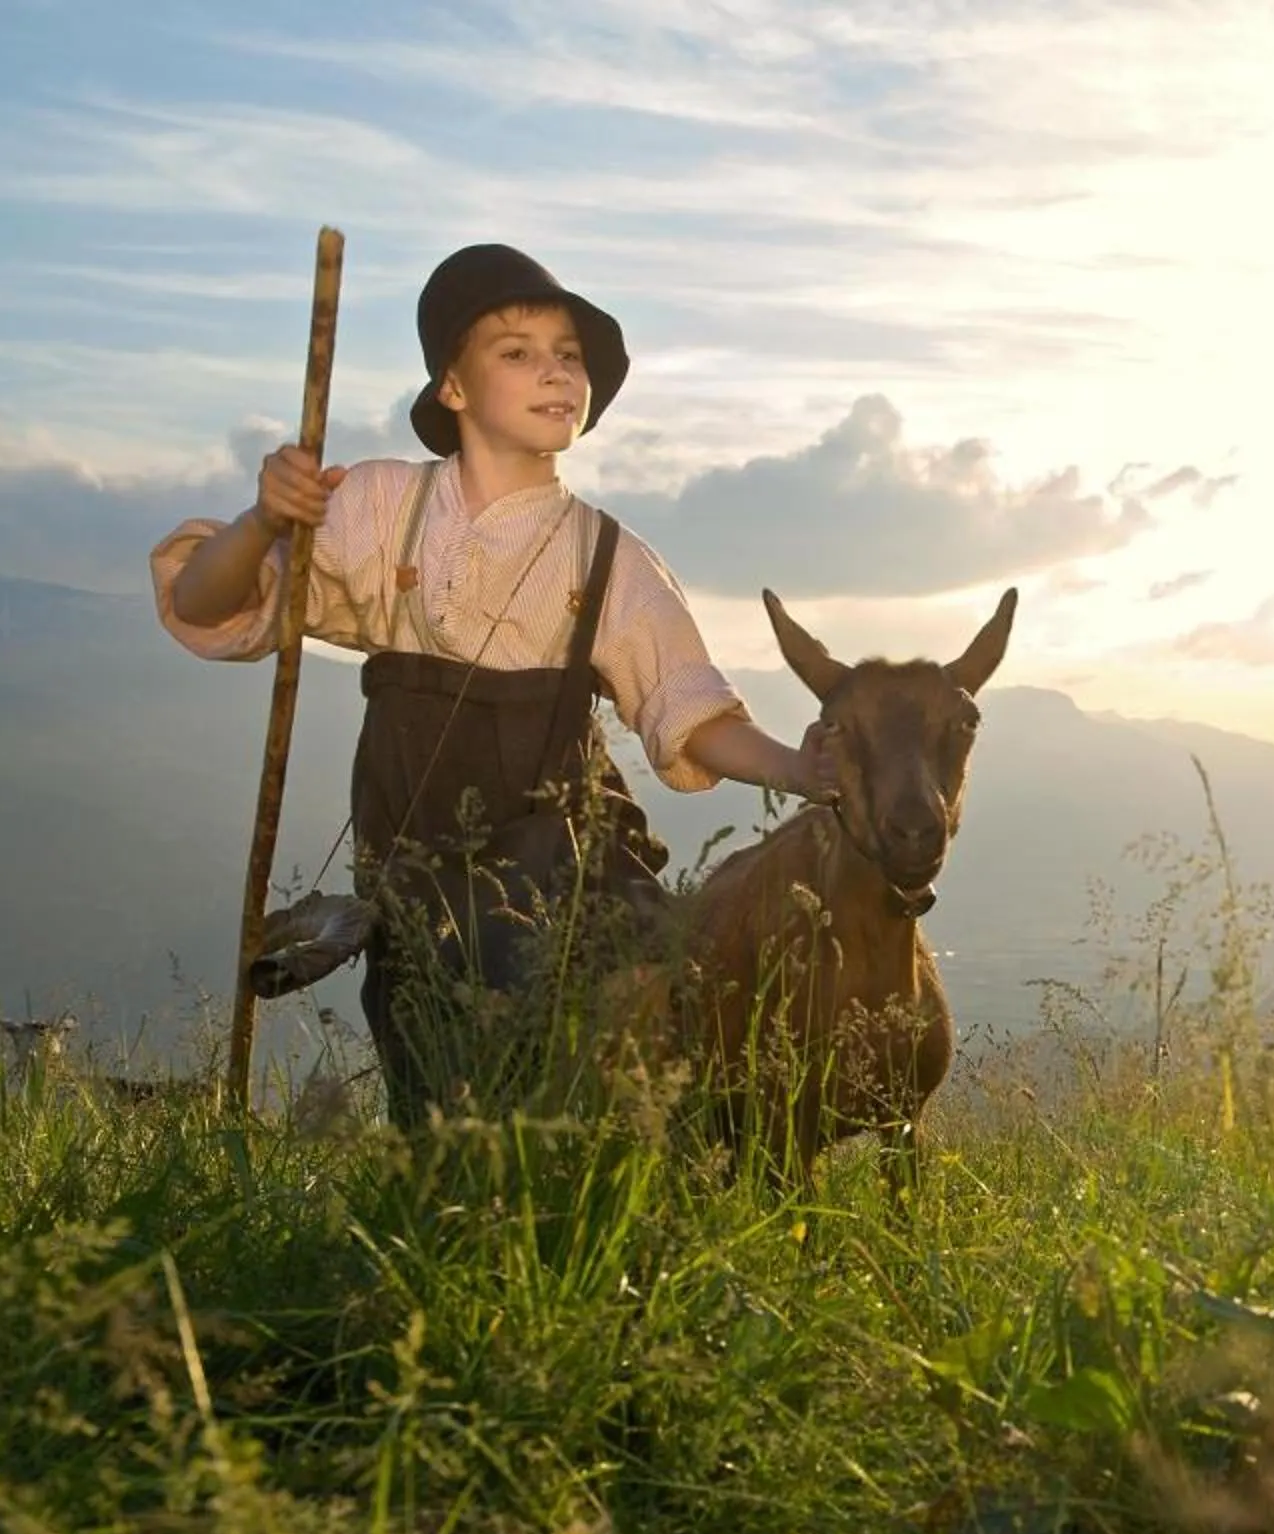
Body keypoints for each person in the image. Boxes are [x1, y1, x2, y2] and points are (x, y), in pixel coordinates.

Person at [153, 243, 836, 1125]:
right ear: (453, 386)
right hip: (413, 855)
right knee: (435, 1088)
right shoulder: (378, 507)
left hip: (560, 862)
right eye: (517, 351)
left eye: (569, 355)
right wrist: (263, 519)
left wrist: (797, 769)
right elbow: (208, 603)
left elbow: (687, 707)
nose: (556, 372)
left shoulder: (607, 555)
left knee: (591, 1050)